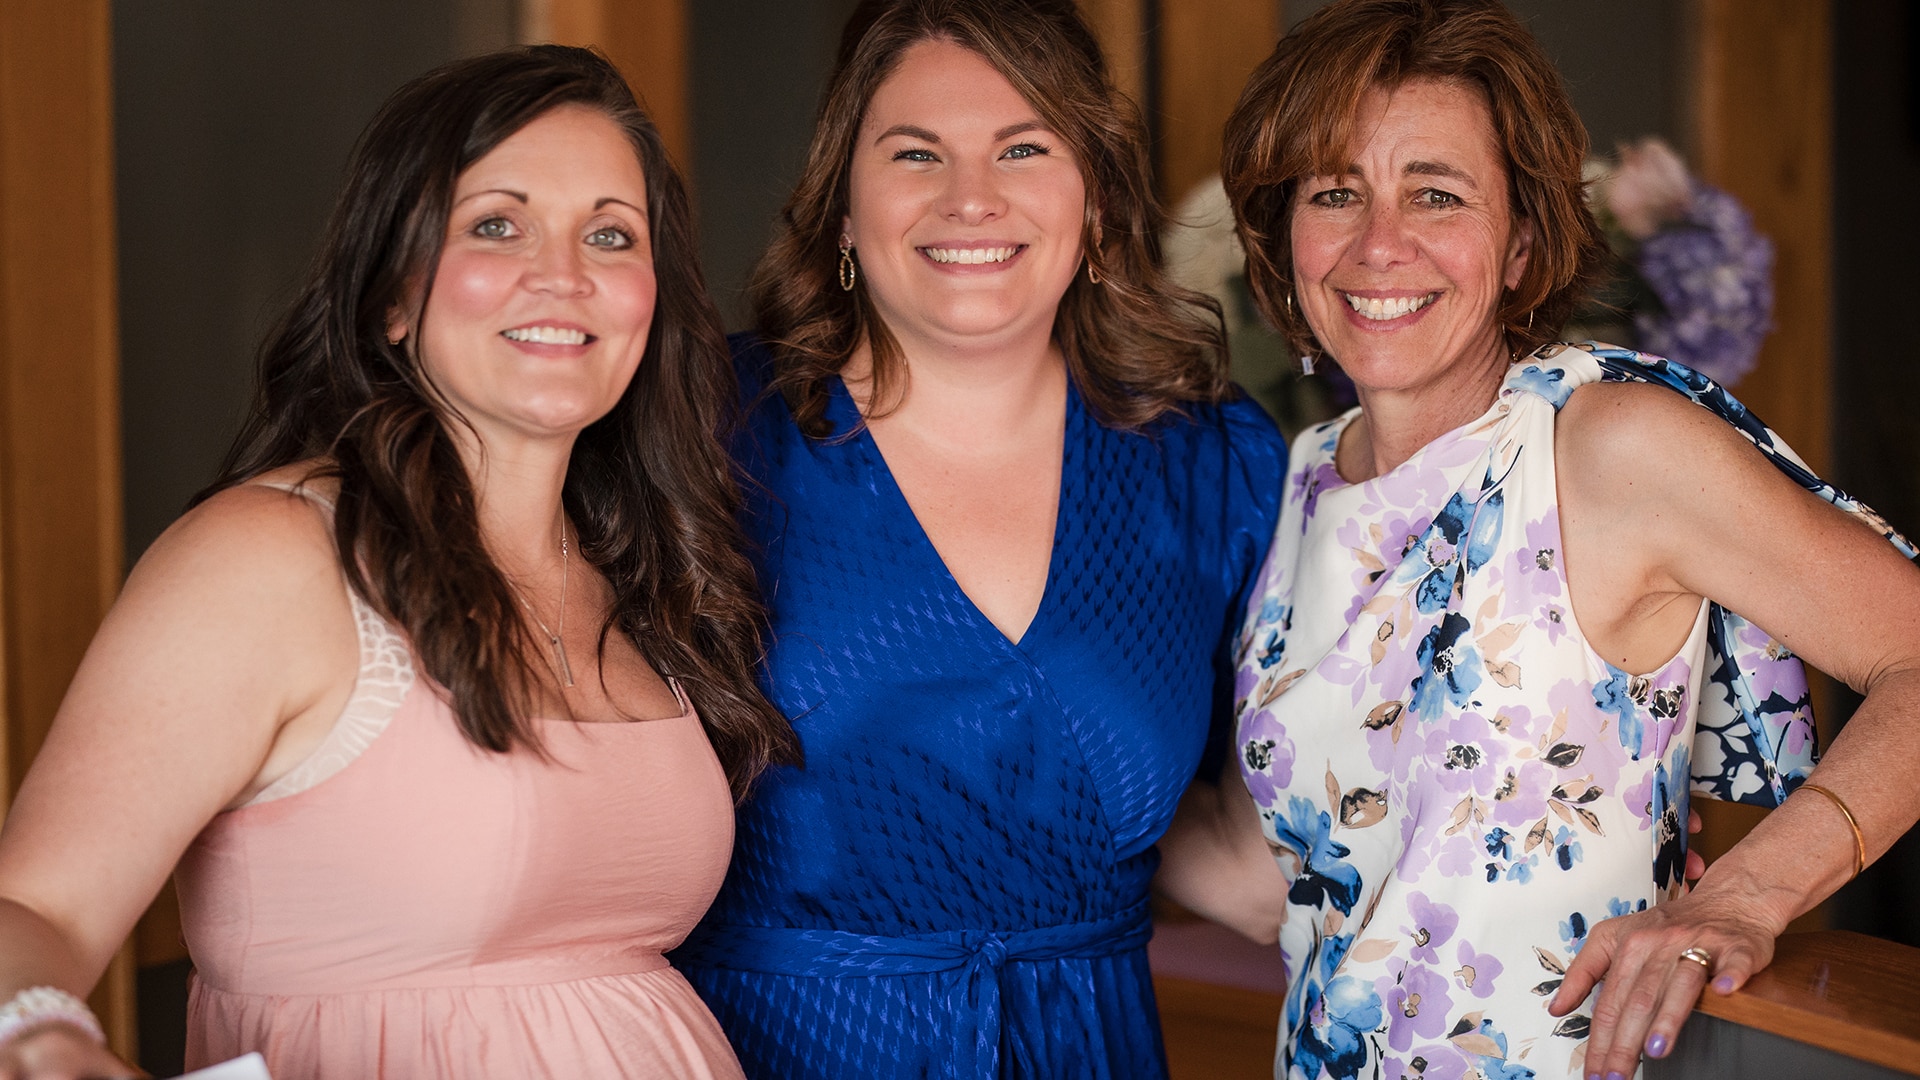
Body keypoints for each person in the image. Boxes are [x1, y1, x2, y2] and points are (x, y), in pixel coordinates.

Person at [0, 45, 797, 1079]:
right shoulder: (273, 558)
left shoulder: (644, 577)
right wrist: (46, 1041)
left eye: (610, 233)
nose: (564, 274)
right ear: (392, 296)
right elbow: (33, 906)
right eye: (496, 225)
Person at [1168, 2, 1920, 1078]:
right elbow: (1265, 873)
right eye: (1336, 192)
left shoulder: (1606, 447)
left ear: (1521, 242)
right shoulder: (1300, 478)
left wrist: (1750, 893)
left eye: (1436, 193)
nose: (1380, 243)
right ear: (1284, 240)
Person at [668, 1, 1286, 1075]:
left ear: (1094, 200)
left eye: (1024, 148)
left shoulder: (1215, 463)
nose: (971, 198)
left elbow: (1266, 835)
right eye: (916, 153)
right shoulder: (699, 427)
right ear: (843, 209)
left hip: (1089, 1046)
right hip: (774, 1046)